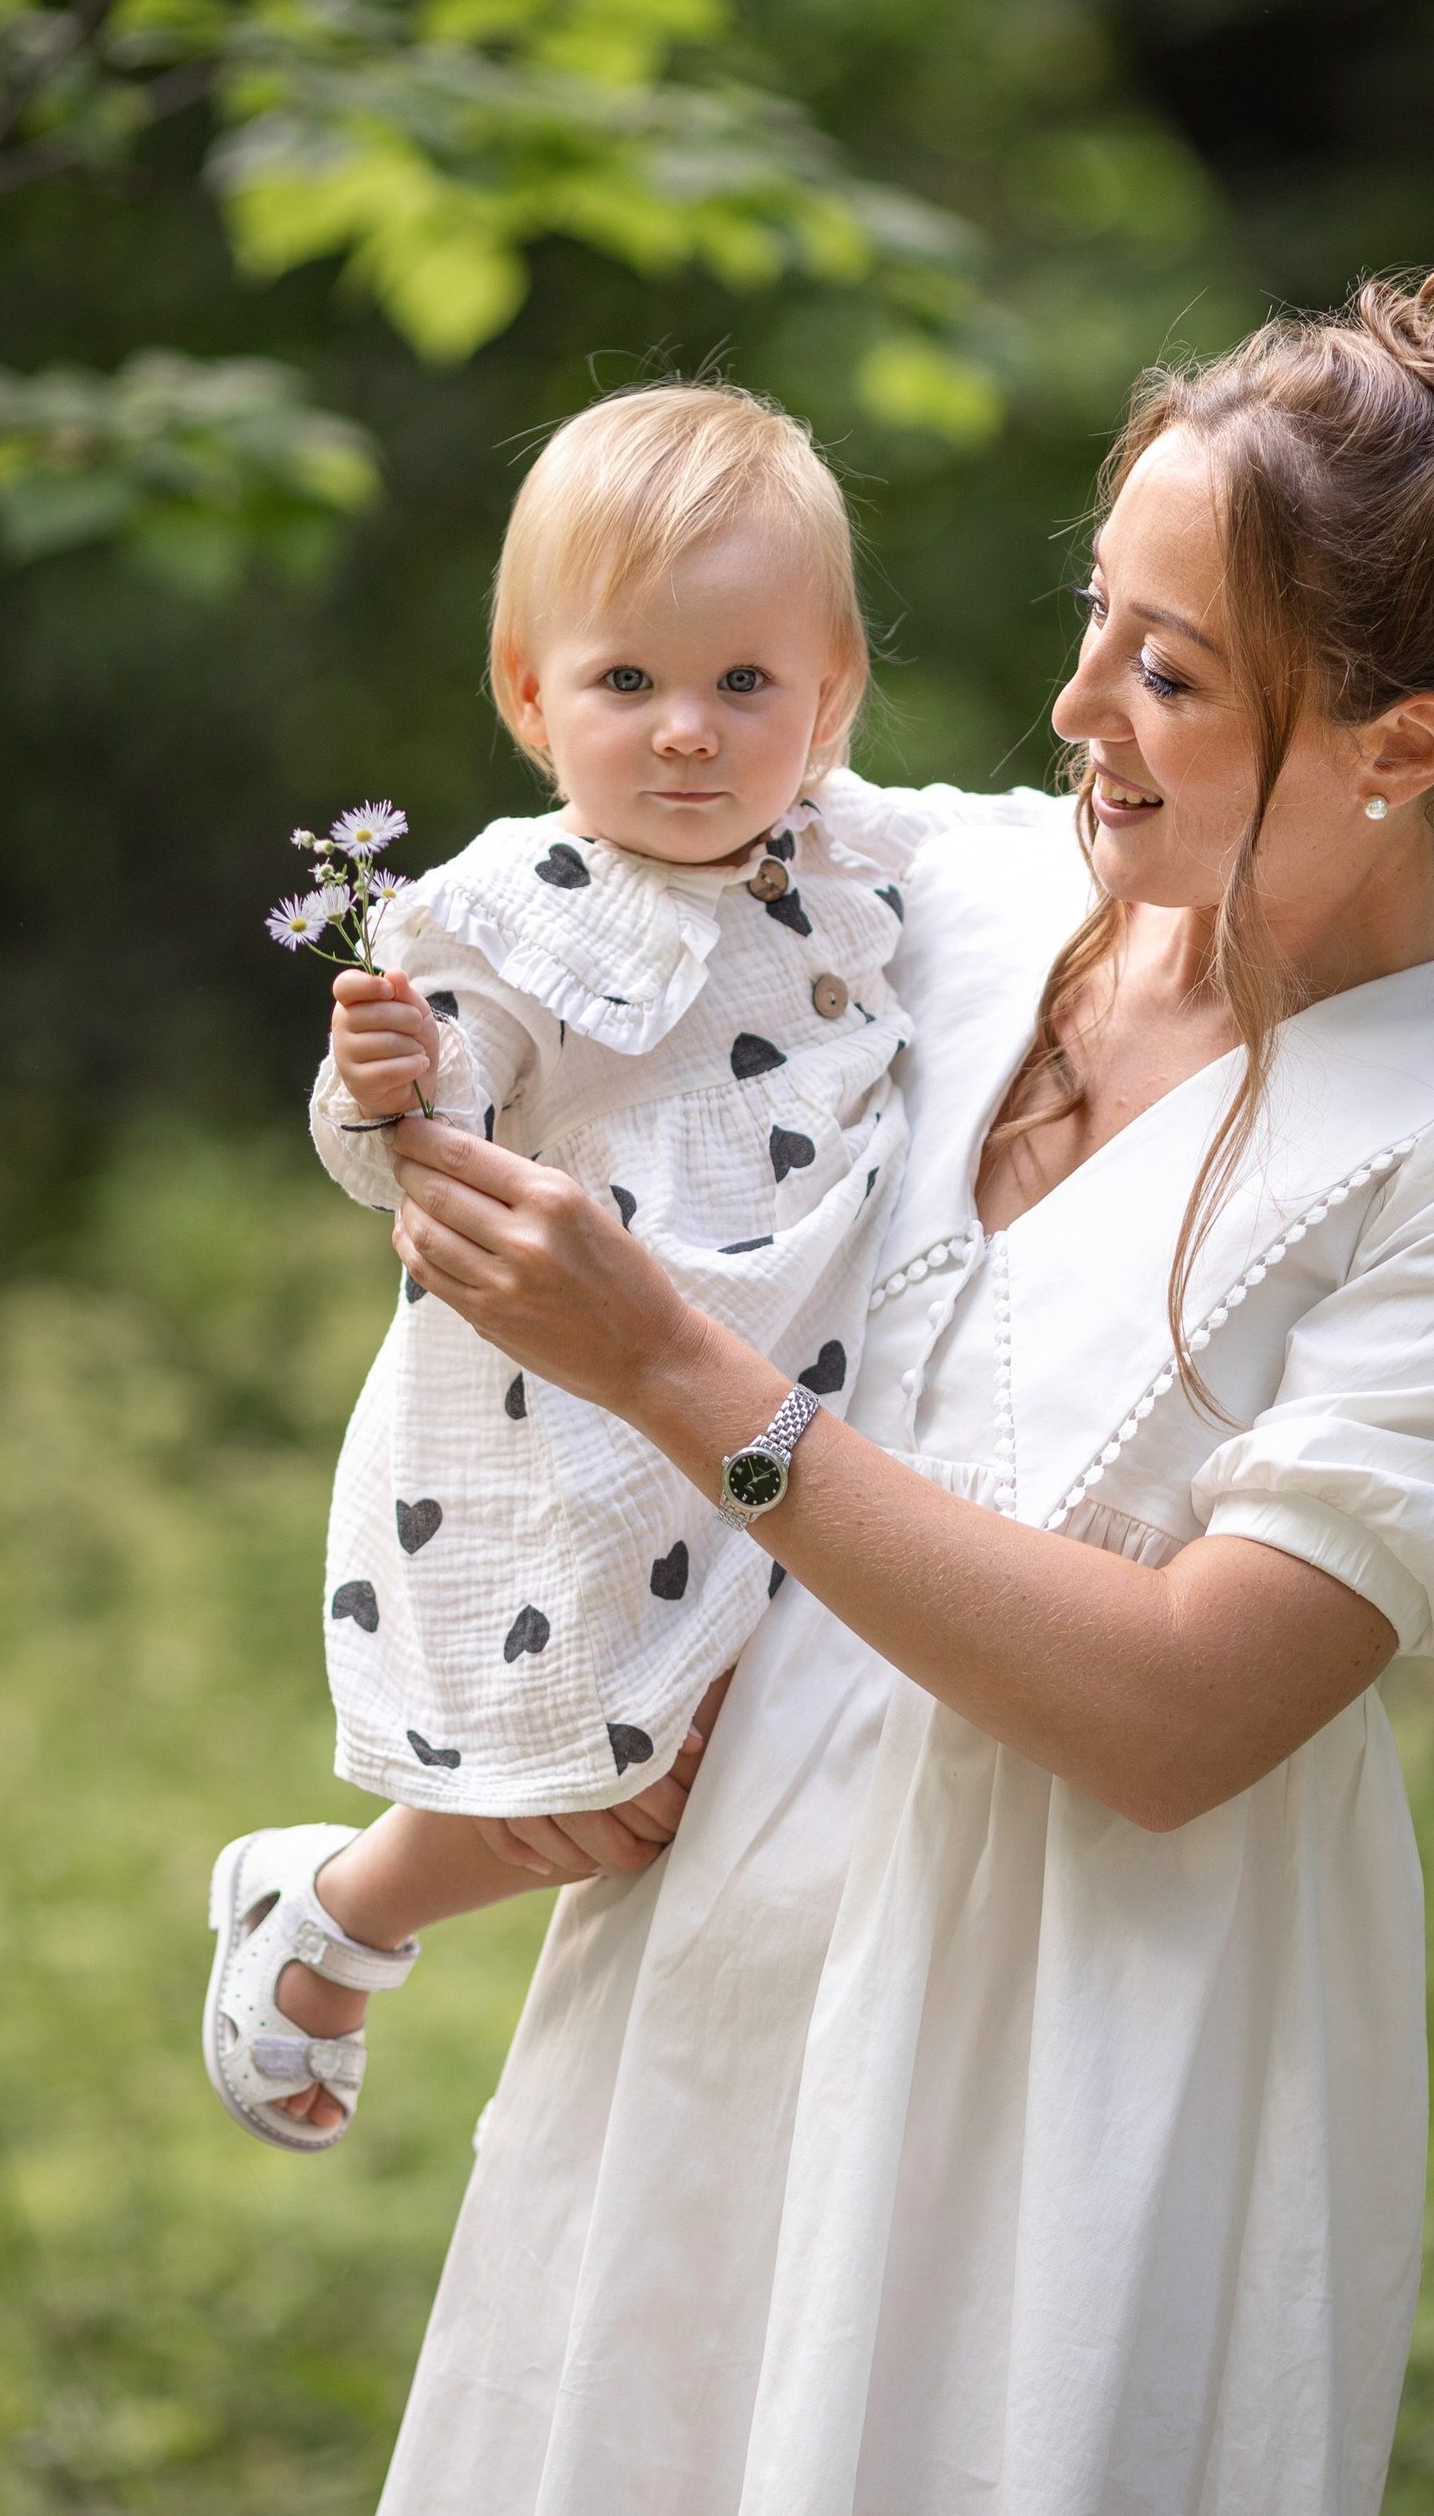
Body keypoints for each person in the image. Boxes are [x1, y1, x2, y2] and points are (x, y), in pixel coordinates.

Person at [322, 267, 1434, 2516]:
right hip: (726, 1980)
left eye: (1173, 675)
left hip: (1077, 2054)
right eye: (1099, 617)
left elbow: (1193, 1710)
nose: (1077, 710)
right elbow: (573, 876)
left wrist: (685, 1386)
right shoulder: (931, 898)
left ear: (1404, 747)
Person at [203, 381, 1036, 2154]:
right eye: (627, 682)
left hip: (796, 1395)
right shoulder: (502, 917)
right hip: (588, 1410)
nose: (687, 734)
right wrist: (384, 1084)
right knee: (615, 1769)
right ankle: (335, 1912)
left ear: (830, 698)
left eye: (745, 683)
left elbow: (1036, 858)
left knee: (734, 1745)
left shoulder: (853, 851)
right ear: (529, 694)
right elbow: (405, 1153)